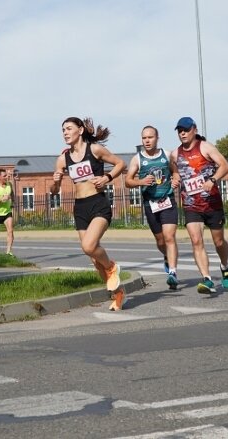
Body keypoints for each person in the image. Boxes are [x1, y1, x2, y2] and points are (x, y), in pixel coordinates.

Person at [50, 116, 127, 310]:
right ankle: (117, 294)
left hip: (98, 204)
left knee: (88, 245)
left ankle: (111, 266)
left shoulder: (95, 150)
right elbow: (52, 191)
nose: (65, 133)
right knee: (93, 258)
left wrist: (106, 178)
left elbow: (120, 164)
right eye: (63, 130)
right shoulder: (62, 159)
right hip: (80, 207)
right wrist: (56, 181)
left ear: (80, 130)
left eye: (69, 128)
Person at [169, 116, 228, 294]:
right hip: (191, 205)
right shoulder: (175, 154)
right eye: (179, 130)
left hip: (212, 203)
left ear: (194, 130)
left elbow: (225, 165)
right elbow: (174, 170)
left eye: (186, 130)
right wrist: (175, 179)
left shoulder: (205, 147)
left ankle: (225, 266)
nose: (182, 133)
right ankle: (207, 279)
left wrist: (212, 180)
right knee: (196, 241)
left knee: (218, 242)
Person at [125, 125, 181, 290]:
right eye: (144, 138)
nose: (147, 141)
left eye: (150, 137)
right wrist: (141, 182)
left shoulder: (167, 154)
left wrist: (176, 179)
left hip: (168, 200)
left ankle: (172, 272)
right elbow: (128, 181)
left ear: (157, 138)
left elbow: (175, 171)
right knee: (160, 240)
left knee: (170, 237)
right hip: (150, 203)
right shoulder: (137, 159)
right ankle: (166, 256)